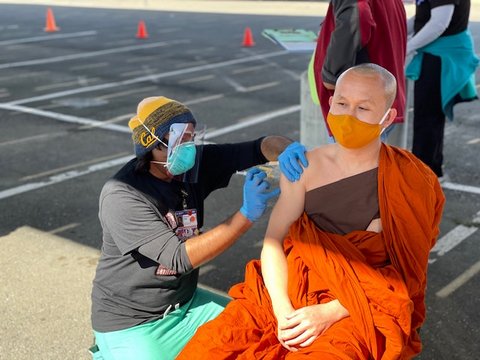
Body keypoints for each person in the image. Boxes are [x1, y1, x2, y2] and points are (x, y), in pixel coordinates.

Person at [178, 64, 445, 359]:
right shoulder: (304, 167)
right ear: (330, 104)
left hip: (357, 305)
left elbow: (407, 275)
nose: (348, 116)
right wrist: (283, 312)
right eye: (342, 104)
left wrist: (329, 313)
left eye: (363, 108)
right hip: (282, 291)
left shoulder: (410, 179)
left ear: (388, 117)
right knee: (210, 348)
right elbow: (273, 242)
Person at [90, 96, 295, 360]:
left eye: (190, 137)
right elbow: (179, 258)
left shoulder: (193, 165)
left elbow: (260, 146)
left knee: (257, 333)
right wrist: (245, 214)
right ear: (152, 145)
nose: (187, 147)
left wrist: (289, 150)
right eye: (178, 140)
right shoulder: (123, 194)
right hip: (133, 323)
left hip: (187, 304)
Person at [308, 0, 407, 142]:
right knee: (371, 161)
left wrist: (332, 75)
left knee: (351, 162)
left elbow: (356, 16)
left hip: (357, 110)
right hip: (377, 100)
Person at [406, 0, 479, 178]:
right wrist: (398, 31)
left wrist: (407, 46)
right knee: (430, 118)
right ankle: (431, 171)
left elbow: (439, 23)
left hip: (442, 57)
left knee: (427, 119)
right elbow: (424, 14)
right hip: (438, 54)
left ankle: (423, 177)